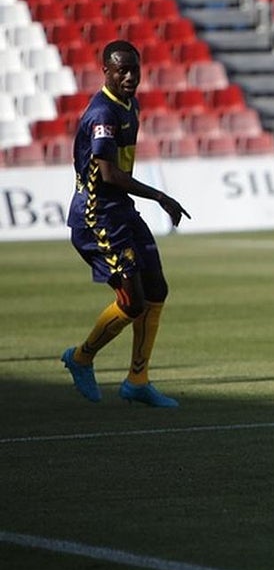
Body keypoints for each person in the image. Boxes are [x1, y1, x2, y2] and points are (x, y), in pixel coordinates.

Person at [62, 40, 190, 408]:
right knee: (132, 303)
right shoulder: (103, 114)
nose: (130, 77)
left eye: (135, 69)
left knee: (157, 289)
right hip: (97, 216)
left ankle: (137, 380)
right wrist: (161, 196)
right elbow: (109, 175)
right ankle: (81, 357)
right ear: (106, 71)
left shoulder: (130, 105)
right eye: (122, 71)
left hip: (121, 209)